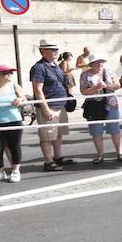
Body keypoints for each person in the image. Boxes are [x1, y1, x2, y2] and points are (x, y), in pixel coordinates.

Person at [30, 39, 73, 171]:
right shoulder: (39, 67)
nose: (55, 52)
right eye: (51, 49)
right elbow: (38, 89)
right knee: (47, 135)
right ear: (42, 51)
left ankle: (58, 157)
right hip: (49, 106)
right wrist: (45, 108)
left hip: (60, 105)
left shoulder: (55, 65)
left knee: (58, 133)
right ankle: (48, 162)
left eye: (56, 49)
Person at [80, 54, 122, 163]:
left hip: (110, 103)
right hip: (93, 105)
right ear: (91, 64)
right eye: (97, 62)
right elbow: (83, 91)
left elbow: (118, 85)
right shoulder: (85, 75)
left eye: (101, 62)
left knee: (115, 129)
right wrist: (95, 88)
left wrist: (106, 86)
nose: (100, 64)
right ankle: (100, 155)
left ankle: (120, 153)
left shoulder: (109, 72)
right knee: (96, 131)